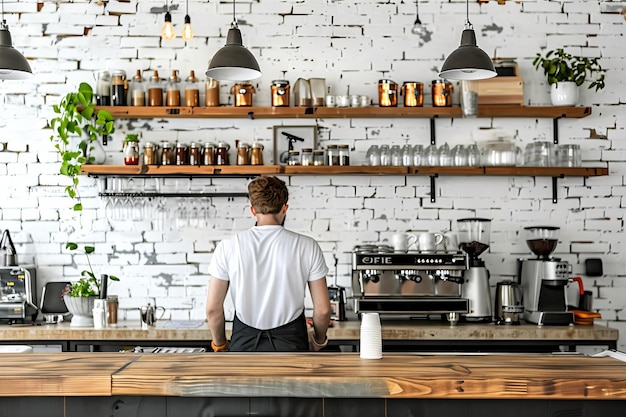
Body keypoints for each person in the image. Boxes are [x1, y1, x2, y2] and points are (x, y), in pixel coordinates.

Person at [206, 176, 331, 352]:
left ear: (252, 210)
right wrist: (318, 340)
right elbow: (323, 309)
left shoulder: (228, 246)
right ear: (285, 209)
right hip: (292, 345)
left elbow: (212, 309)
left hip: (244, 345)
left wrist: (219, 345)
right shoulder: (307, 246)